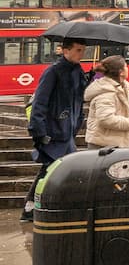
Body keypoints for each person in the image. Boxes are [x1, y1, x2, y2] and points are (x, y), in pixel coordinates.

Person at [23, 37, 88, 222]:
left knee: (52, 169)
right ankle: (31, 208)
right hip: (53, 131)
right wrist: (39, 132)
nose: (81, 54)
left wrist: (88, 80)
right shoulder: (52, 71)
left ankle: (31, 208)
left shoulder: (77, 71)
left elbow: (77, 98)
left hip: (67, 131)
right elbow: (40, 103)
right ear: (65, 50)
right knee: (51, 169)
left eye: (83, 50)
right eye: (77, 50)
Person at [84, 55, 129, 149]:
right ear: (121, 72)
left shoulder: (120, 86)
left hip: (112, 143)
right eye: (126, 66)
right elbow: (106, 120)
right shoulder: (106, 93)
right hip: (103, 145)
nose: (128, 69)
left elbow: (123, 104)